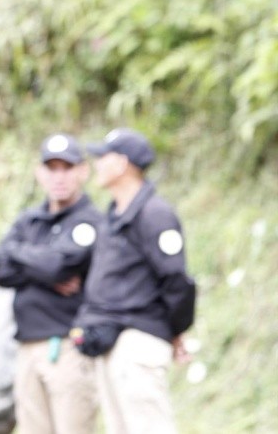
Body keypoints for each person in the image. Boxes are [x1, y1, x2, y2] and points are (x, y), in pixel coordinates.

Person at [71, 128, 196, 434]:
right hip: (112, 341)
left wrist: (176, 329)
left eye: (104, 157)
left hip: (137, 341)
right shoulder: (114, 214)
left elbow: (176, 280)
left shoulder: (155, 213)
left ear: (123, 163)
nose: (97, 164)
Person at [0, 133, 101, 434]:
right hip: (26, 347)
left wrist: (24, 259)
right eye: (52, 168)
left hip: (68, 346)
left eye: (67, 167)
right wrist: (44, 273)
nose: (59, 176)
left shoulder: (89, 221)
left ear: (83, 171)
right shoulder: (30, 220)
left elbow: (57, 267)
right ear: (40, 172)